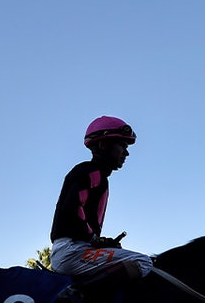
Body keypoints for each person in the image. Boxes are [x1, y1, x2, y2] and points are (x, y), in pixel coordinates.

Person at [50, 116, 153, 288]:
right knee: (143, 262)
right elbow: (71, 209)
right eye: (122, 146)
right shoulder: (89, 171)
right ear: (103, 145)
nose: (126, 153)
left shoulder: (98, 176)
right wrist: (94, 238)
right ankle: (80, 294)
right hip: (71, 251)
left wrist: (98, 241)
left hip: (76, 249)